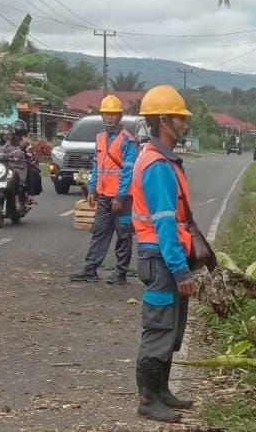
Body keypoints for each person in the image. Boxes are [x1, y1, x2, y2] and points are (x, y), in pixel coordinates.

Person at [129, 84, 199, 423]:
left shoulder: (164, 160)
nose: (185, 125)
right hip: (161, 259)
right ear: (161, 121)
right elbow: (165, 225)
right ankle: (148, 399)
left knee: (172, 325)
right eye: (179, 118)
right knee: (159, 329)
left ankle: (163, 391)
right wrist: (180, 270)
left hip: (167, 257)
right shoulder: (157, 166)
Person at [70, 95, 138, 284]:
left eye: (113, 114)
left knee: (123, 236)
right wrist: (91, 189)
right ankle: (90, 270)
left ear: (120, 116)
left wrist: (120, 195)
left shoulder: (128, 141)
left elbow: (128, 171)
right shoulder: (100, 138)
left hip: (122, 200)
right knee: (99, 233)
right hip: (103, 196)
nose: (109, 118)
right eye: (106, 114)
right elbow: (97, 165)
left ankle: (120, 273)